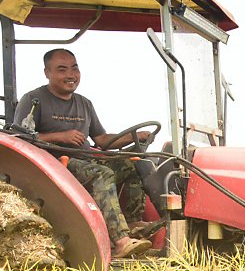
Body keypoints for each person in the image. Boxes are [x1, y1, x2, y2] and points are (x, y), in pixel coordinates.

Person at [14, 48, 152, 258]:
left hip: (86, 161)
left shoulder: (84, 103)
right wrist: (61, 136)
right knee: (102, 174)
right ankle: (121, 241)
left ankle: (132, 222)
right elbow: (20, 137)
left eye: (74, 68)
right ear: (47, 72)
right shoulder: (34, 99)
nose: (70, 74)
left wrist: (135, 135)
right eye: (62, 69)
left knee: (132, 164)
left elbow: (102, 140)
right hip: (55, 165)